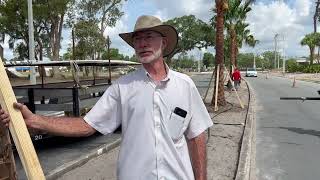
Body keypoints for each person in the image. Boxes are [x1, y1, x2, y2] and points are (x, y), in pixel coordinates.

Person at [0, 15, 213, 180]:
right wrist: (35, 120)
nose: (142, 44)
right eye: (137, 39)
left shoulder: (185, 85)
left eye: (149, 37)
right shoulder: (123, 87)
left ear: (164, 43)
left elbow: (196, 137)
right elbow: (87, 125)